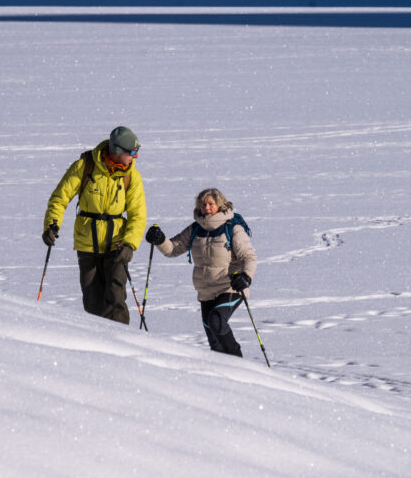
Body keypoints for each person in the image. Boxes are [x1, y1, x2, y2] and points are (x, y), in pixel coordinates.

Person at [42, 126, 147, 325]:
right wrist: (51, 225)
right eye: (131, 152)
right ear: (117, 150)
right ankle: (98, 346)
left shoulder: (131, 176)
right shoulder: (84, 166)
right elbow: (59, 199)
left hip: (117, 245)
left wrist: (129, 244)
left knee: (116, 298)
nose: (136, 156)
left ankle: (121, 346)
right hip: (87, 244)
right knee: (92, 303)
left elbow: (138, 214)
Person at [145, 188, 256, 357]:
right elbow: (172, 249)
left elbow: (248, 256)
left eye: (211, 204)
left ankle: (240, 363)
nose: (207, 208)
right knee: (215, 343)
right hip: (205, 291)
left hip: (230, 287)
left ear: (220, 204)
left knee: (217, 321)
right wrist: (160, 239)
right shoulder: (196, 229)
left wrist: (246, 277)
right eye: (203, 204)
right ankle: (223, 376)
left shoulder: (233, 228)